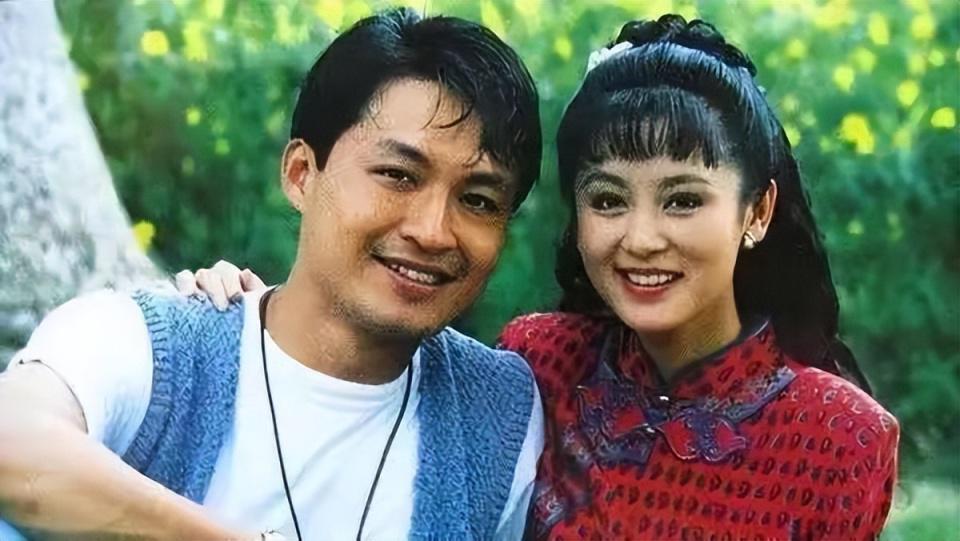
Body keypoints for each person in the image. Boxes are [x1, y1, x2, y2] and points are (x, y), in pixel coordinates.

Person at [192, 14, 900, 541]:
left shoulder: (841, 439)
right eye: (608, 200)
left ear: (757, 210)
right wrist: (246, 315)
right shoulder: (542, 364)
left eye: (683, 200)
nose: (640, 238)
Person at [0, 8, 544, 541]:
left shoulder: (496, 417)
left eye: (477, 200)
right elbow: (13, 442)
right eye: (398, 175)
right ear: (301, 173)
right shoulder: (152, 345)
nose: (433, 231)